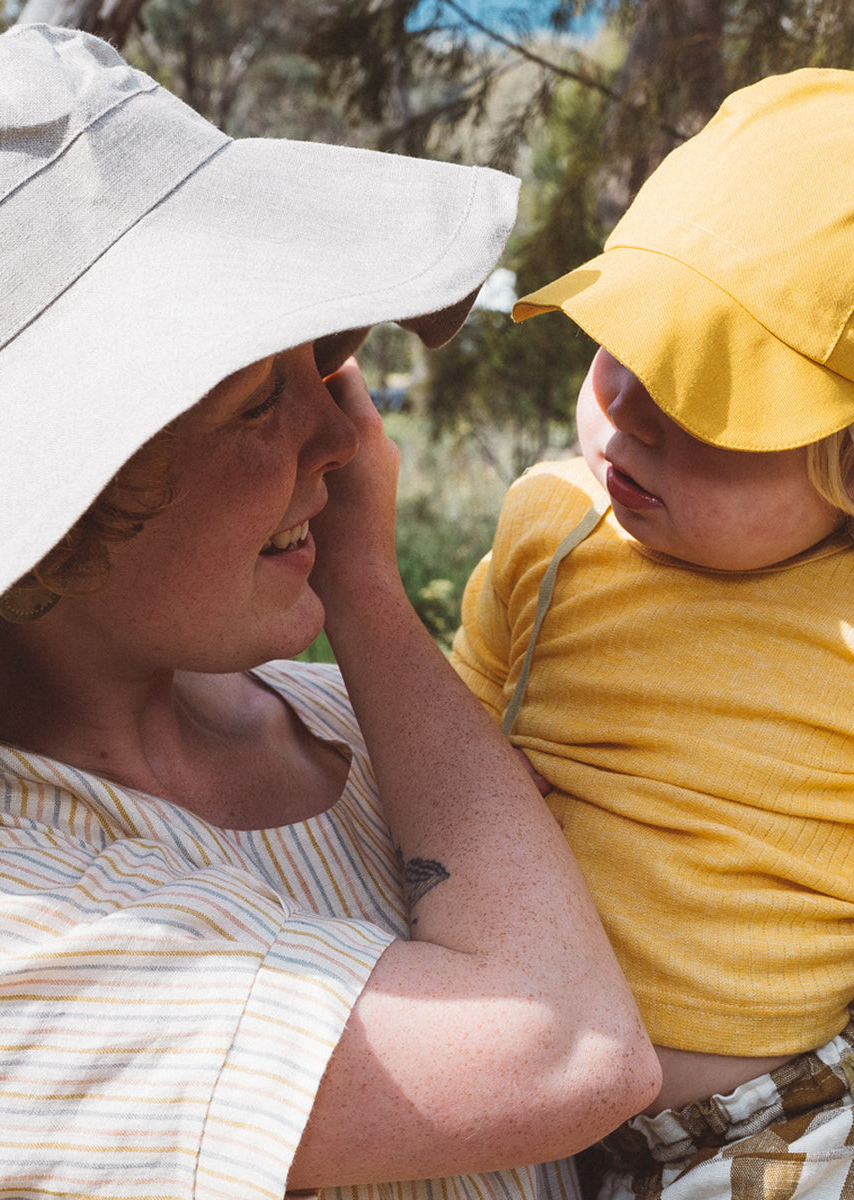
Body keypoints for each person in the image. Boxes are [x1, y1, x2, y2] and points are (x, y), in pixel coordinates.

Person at [0, 24, 659, 1200]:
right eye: (257, 397)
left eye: (322, 361)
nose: (347, 437)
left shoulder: (354, 722)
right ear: (40, 503)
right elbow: (566, 1052)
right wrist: (367, 595)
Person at [450, 68, 854, 1200]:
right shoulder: (552, 527)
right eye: (620, 343)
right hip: (525, 1100)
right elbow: (451, 731)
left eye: (701, 397)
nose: (625, 404)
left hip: (790, 1118)